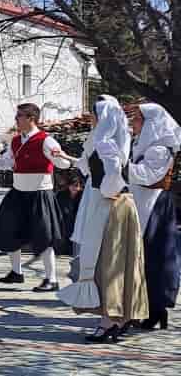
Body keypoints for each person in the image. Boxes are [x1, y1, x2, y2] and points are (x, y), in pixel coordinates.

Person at [56, 96, 148, 343]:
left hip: (111, 206)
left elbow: (114, 176)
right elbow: (91, 168)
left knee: (108, 264)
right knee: (110, 263)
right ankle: (118, 319)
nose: (92, 118)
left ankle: (109, 321)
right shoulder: (106, 140)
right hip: (110, 203)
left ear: (103, 116)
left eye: (94, 114)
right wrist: (68, 158)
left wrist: (104, 194)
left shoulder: (107, 143)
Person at [0, 103, 71, 291]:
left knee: (44, 236)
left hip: (40, 194)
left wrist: (59, 157)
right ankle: (16, 273)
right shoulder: (16, 141)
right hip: (18, 193)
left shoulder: (46, 141)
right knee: (10, 231)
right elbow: (5, 162)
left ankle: (51, 279)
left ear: (31, 118)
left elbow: (64, 164)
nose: (16, 119)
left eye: (19, 116)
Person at [127, 102, 181, 331]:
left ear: (150, 123)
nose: (133, 122)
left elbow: (147, 176)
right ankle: (143, 308)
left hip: (154, 206)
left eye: (138, 118)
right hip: (142, 203)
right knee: (142, 258)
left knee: (154, 259)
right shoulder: (142, 144)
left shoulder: (159, 149)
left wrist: (119, 166)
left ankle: (156, 309)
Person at [55, 174, 83, 256]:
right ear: (68, 186)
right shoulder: (61, 195)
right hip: (64, 223)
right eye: (72, 185)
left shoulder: (82, 196)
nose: (74, 188)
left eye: (77, 186)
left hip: (77, 223)